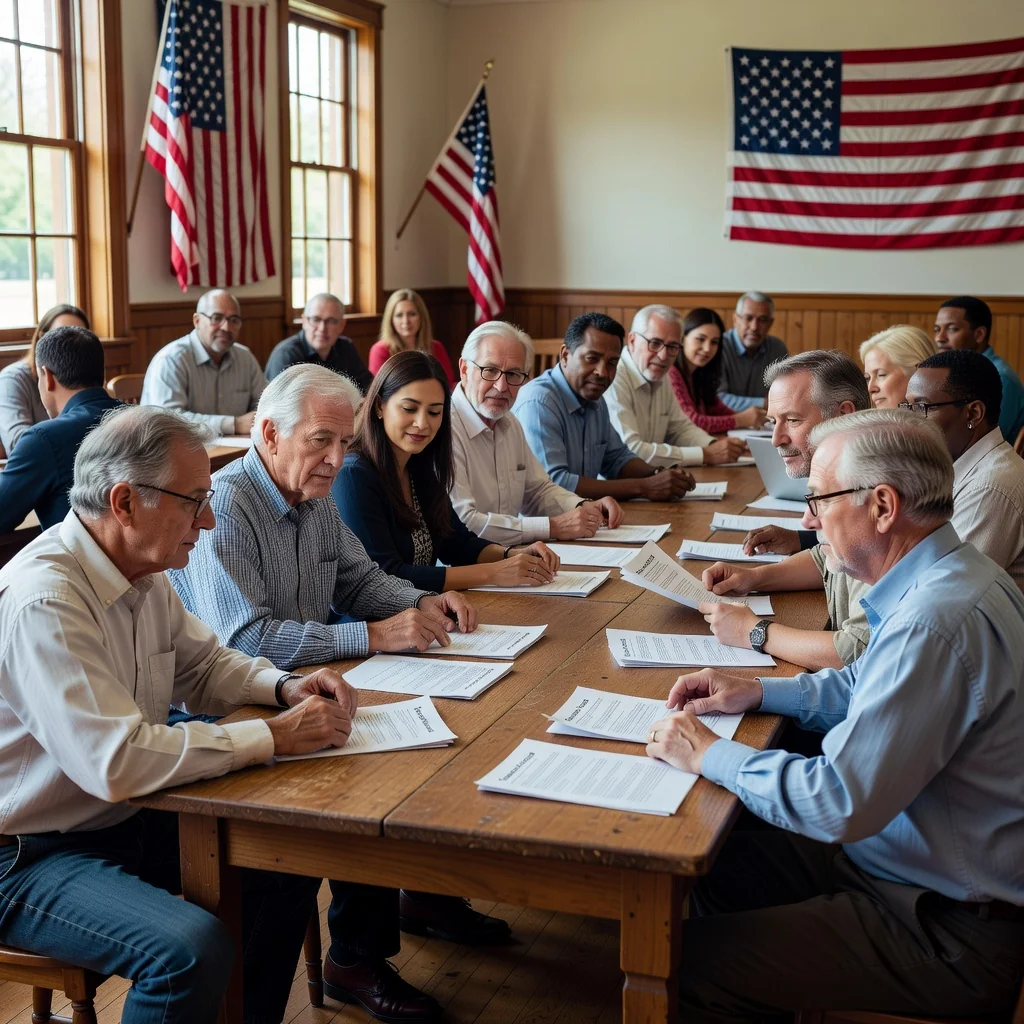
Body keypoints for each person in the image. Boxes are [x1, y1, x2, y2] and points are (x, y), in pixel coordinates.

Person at [646, 409, 1024, 1024]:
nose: (807, 519)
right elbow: (867, 685)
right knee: (717, 864)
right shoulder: (953, 575)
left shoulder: (934, 620)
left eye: (819, 498)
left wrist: (707, 753)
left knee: (678, 965)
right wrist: (759, 694)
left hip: (947, 927)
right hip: (904, 862)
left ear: (882, 506)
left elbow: (838, 801)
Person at [0, 406, 363, 1024]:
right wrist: (269, 737)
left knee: (285, 861)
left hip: (120, 817)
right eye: (194, 500)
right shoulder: (46, 601)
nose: (210, 519)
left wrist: (284, 688)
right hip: (27, 854)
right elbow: (117, 762)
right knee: (185, 952)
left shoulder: (141, 569)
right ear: (124, 502)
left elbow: (204, 667)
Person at [170, 363, 502, 1023]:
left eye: (345, 444)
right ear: (267, 432)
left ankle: (358, 953)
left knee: (390, 769)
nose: (336, 459)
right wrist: (372, 637)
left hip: (299, 694)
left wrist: (425, 602)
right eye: (321, 440)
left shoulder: (314, 498)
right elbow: (247, 640)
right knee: (300, 852)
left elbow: (359, 579)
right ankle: (283, 990)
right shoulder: (230, 504)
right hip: (225, 715)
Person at [333, 350, 562, 590]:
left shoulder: (419, 465)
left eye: (434, 412)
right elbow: (385, 575)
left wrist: (512, 555)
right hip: (372, 624)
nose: (422, 423)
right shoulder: (353, 475)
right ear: (379, 406)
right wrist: (493, 573)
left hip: (424, 613)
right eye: (410, 409)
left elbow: (457, 543)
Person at [701, 351, 872, 671]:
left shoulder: (865, 497)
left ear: (842, 415)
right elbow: (826, 557)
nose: (777, 439)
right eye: (772, 422)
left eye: (792, 420)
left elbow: (858, 651)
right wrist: (753, 577)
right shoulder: (840, 478)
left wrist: (754, 631)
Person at [449, 320, 622, 544]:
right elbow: (465, 522)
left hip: (513, 559)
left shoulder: (509, 422)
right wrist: (553, 527)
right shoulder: (444, 429)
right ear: (464, 369)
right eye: (490, 370)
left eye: (513, 374)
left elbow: (537, 491)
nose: (501, 386)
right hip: (463, 570)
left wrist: (583, 506)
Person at [515, 312, 696, 502]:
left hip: (588, 519)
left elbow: (617, 459)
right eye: (592, 358)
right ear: (565, 355)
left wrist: (659, 474)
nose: (602, 372)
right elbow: (556, 484)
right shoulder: (539, 402)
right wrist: (644, 487)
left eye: (612, 363)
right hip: (543, 527)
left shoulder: (595, 399)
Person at [905, 350, 1024, 592]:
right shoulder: (952, 468)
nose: (908, 421)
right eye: (907, 407)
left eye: (922, 408)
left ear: (973, 413)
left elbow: (942, 590)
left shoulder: (990, 487)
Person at [0, 326, 120, 533]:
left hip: (79, 563)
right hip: (152, 561)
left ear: (47, 377)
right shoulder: (144, 419)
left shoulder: (44, 439)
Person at [604, 305, 747, 467]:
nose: (663, 356)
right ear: (632, 341)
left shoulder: (660, 375)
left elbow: (680, 429)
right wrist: (705, 454)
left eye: (672, 347)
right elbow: (630, 451)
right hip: (614, 487)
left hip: (651, 480)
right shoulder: (613, 376)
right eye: (655, 343)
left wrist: (713, 445)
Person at [141, 288, 265, 436]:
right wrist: (232, 424)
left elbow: (267, 404)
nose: (226, 327)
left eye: (234, 320)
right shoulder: (171, 360)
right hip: (173, 454)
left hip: (234, 452)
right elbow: (167, 421)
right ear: (197, 321)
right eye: (217, 318)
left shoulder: (245, 358)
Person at [0, 303, 89, 454]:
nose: (71, 350)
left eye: (79, 341)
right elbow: (18, 445)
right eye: (61, 339)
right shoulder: (13, 380)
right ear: (42, 340)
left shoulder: (88, 381)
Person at [934, 295, 1024, 444]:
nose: (939, 338)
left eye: (951, 329)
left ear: (979, 335)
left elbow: (987, 442)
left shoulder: (1000, 378)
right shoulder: (959, 372)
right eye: (937, 329)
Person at [669, 308, 768, 432]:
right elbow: (691, 422)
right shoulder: (671, 372)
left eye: (714, 342)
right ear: (682, 338)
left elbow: (718, 410)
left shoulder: (700, 373)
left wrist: (751, 418)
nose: (707, 348)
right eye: (700, 339)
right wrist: (741, 419)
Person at [265, 292, 373, 392]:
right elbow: (280, 406)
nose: (322, 328)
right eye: (316, 319)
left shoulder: (346, 348)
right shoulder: (286, 354)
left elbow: (368, 388)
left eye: (331, 321)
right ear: (304, 321)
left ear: (342, 325)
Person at [369, 288, 456, 387]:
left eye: (412, 314)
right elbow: (381, 391)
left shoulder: (436, 347)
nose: (406, 321)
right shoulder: (380, 350)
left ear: (421, 317)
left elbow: (447, 385)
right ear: (391, 320)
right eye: (399, 315)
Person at [717, 291, 789, 411]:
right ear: (736, 319)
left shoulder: (778, 349)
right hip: (725, 421)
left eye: (763, 320)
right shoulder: (719, 347)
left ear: (770, 323)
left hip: (767, 424)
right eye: (748, 318)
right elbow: (718, 399)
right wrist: (764, 403)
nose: (754, 327)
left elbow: (786, 395)